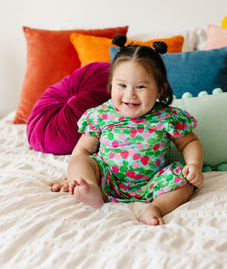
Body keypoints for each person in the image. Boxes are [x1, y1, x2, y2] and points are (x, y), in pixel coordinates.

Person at [50, 35, 204, 225]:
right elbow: (82, 150)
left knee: (185, 182)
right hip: (107, 178)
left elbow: (189, 142)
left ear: (159, 90)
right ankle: (90, 190)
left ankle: (155, 208)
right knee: (82, 160)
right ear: (111, 84)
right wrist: (74, 177)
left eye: (140, 87)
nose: (130, 94)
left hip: (153, 181)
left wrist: (194, 165)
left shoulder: (167, 117)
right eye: (122, 85)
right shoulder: (101, 115)